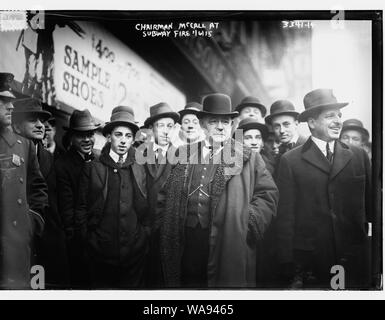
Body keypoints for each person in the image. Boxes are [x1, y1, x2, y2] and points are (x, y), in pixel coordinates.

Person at [158, 93, 279, 287]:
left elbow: (268, 195)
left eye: (226, 121)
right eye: (214, 121)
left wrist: (246, 222)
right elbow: (164, 194)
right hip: (186, 239)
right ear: (204, 124)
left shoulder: (247, 156)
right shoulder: (184, 153)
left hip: (228, 239)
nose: (221, 126)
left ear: (232, 125)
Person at [275, 89, 372, 289]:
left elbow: (373, 210)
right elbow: (285, 218)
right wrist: (289, 266)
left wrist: (378, 258)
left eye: (339, 116)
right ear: (311, 122)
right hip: (312, 263)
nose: (338, 121)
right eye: (330, 116)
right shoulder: (290, 161)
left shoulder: (359, 156)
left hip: (354, 259)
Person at [75, 106, 150, 288]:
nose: (123, 141)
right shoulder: (94, 167)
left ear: (133, 139)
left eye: (128, 136)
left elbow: (145, 207)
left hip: (134, 254)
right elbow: (81, 208)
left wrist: (144, 236)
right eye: (118, 135)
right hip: (100, 254)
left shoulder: (139, 167)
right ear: (108, 137)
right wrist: (88, 240)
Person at [0, 72, 48, 289]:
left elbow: (38, 189)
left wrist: (31, 223)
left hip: (16, 245)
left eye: (11, 101)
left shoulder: (23, 145)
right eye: (2, 100)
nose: (10, 107)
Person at [11, 98, 69, 288]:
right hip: (17, 243)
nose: (40, 126)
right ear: (17, 126)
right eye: (32, 120)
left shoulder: (52, 159)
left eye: (42, 121)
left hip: (49, 246)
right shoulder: (5, 155)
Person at [54, 109, 100, 288]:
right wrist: (76, 241)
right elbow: (66, 208)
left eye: (90, 134)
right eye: (81, 135)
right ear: (71, 137)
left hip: (102, 237)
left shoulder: (98, 159)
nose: (87, 139)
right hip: (80, 241)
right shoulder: (62, 165)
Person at [139, 102, 180, 287]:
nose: (166, 131)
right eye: (161, 125)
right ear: (151, 128)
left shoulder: (180, 156)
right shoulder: (139, 154)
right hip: (141, 231)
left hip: (168, 231)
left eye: (170, 126)